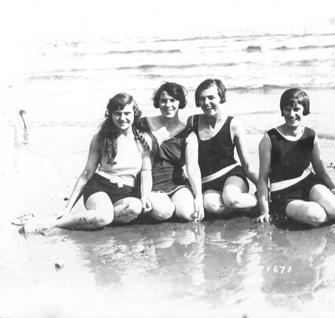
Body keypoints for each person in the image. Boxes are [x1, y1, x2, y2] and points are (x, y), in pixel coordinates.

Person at [21, 93, 152, 233]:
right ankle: (56, 223)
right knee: (104, 217)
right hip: (100, 188)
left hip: (125, 193)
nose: (122, 118)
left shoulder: (143, 139)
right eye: (117, 114)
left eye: (127, 113)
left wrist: (145, 197)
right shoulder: (101, 138)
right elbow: (87, 173)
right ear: (111, 115)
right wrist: (67, 208)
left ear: (135, 113)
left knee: (135, 207)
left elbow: (146, 172)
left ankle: (97, 218)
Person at [256, 88, 335, 226]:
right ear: (282, 111)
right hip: (283, 194)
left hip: (308, 183)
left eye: (296, 109)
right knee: (316, 215)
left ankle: (325, 209)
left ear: (304, 110)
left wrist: (333, 188)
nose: (291, 114)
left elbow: (319, 168)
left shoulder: (310, 135)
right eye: (287, 109)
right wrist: (264, 212)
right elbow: (262, 179)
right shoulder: (269, 139)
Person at [188, 78, 258, 216]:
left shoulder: (233, 124)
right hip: (207, 182)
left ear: (221, 98)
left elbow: (247, 165)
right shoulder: (192, 122)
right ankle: (244, 211)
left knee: (232, 200)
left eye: (211, 97)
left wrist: (263, 187)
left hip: (232, 175)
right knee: (211, 206)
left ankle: (258, 201)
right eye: (202, 99)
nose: (206, 103)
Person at [138, 82, 204, 222]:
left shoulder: (188, 133)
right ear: (158, 102)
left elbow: (192, 167)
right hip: (151, 185)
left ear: (180, 103)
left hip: (177, 185)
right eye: (163, 100)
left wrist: (198, 197)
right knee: (164, 211)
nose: (168, 105)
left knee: (189, 214)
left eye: (172, 100)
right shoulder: (143, 125)